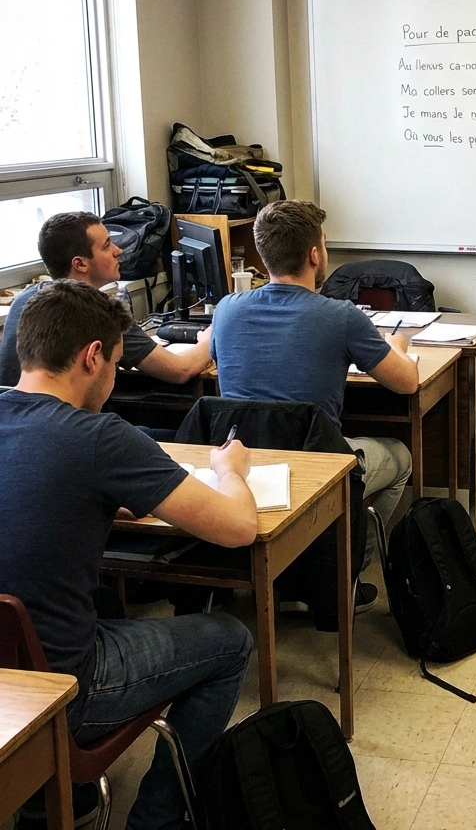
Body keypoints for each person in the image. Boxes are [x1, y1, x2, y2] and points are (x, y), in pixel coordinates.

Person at [0, 280, 257, 829]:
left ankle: (44, 800)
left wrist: (94, 504)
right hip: (65, 689)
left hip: (6, 686)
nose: (116, 381)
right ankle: (159, 818)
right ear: (93, 356)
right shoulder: (100, 438)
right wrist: (228, 473)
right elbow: (238, 528)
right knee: (232, 641)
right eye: (118, 364)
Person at [210, 199, 418, 609]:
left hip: (241, 461)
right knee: (400, 456)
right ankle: (346, 578)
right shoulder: (341, 316)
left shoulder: (227, 309)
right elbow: (406, 382)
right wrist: (398, 344)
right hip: (315, 465)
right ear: (314, 254)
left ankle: (301, 566)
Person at [0, 211, 212, 387]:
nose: (118, 251)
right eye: (107, 245)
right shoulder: (96, 312)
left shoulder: (26, 299)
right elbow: (180, 370)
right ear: (80, 264)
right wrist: (210, 339)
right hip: (68, 429)